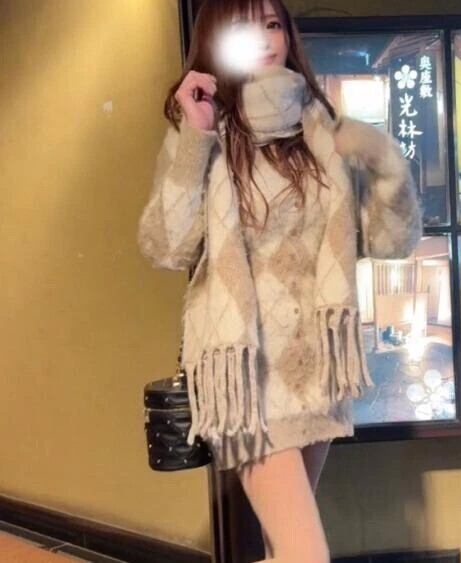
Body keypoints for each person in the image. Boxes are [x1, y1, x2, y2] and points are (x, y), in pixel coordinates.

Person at [137, 0, 422, 561]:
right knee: (306, 554)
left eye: (273, 24)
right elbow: (166, 246)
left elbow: (390, 242)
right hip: (246, 377)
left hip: (315, 370)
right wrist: (195, 137)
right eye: (246, 27)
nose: (266, 38)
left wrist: (386, 165)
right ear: (217, 40)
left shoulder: (321, 133)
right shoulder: (207, 133)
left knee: (285, 551)